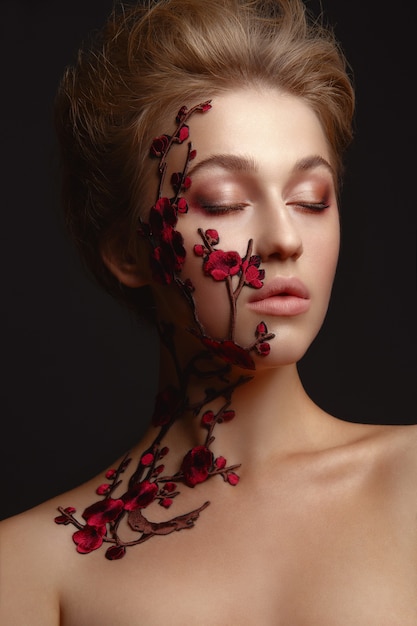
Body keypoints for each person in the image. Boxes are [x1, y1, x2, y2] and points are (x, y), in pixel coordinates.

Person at [1, 0, 416, 623]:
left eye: (311, 199)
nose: (285, 238)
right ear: (125, 251)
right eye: (222, 203)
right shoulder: (31, 568)